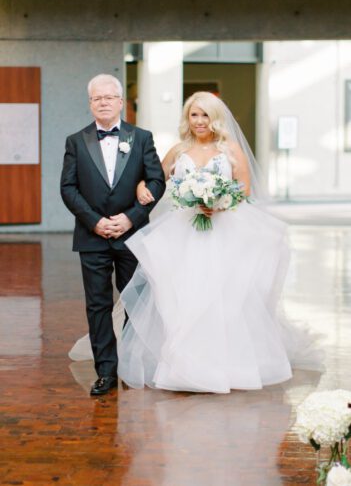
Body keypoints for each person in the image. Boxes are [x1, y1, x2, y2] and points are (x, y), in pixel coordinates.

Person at [115, 91, 323, 393]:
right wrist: (140, 186)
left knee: (223, 298)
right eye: (193, 115)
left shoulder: (230, 149)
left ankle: (226, 368)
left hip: (223, 232)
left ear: (215, 118)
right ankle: (183, 367)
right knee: (183, 296)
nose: (199, 121)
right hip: (183, 233)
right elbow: (154, 179)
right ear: (187, 118)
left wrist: (220, 202)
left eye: (205, 115)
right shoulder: (178, 150)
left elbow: (244, 189)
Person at [60, 74, 166, 396]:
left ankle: (133, 367)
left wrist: (131, 218)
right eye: (97, 98)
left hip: (131, 235)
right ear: (90, 103)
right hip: (92, 237)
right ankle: (106, 371)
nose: (103, 102)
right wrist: (94, 222)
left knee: (135, 302)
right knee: (98, 305)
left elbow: (157, 181)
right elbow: (68, 188)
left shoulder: (142, 137)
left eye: (109, 97)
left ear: (121, 102)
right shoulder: (76, 141)